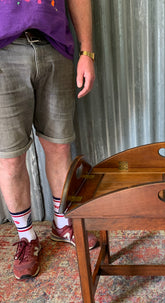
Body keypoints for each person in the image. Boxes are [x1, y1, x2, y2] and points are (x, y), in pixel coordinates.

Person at [0, 0, 98, 280]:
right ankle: (27, 237)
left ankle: (62, 223)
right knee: (9, 157)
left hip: (54, 45)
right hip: (3, 50)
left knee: (59, 146)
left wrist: (87, 51)